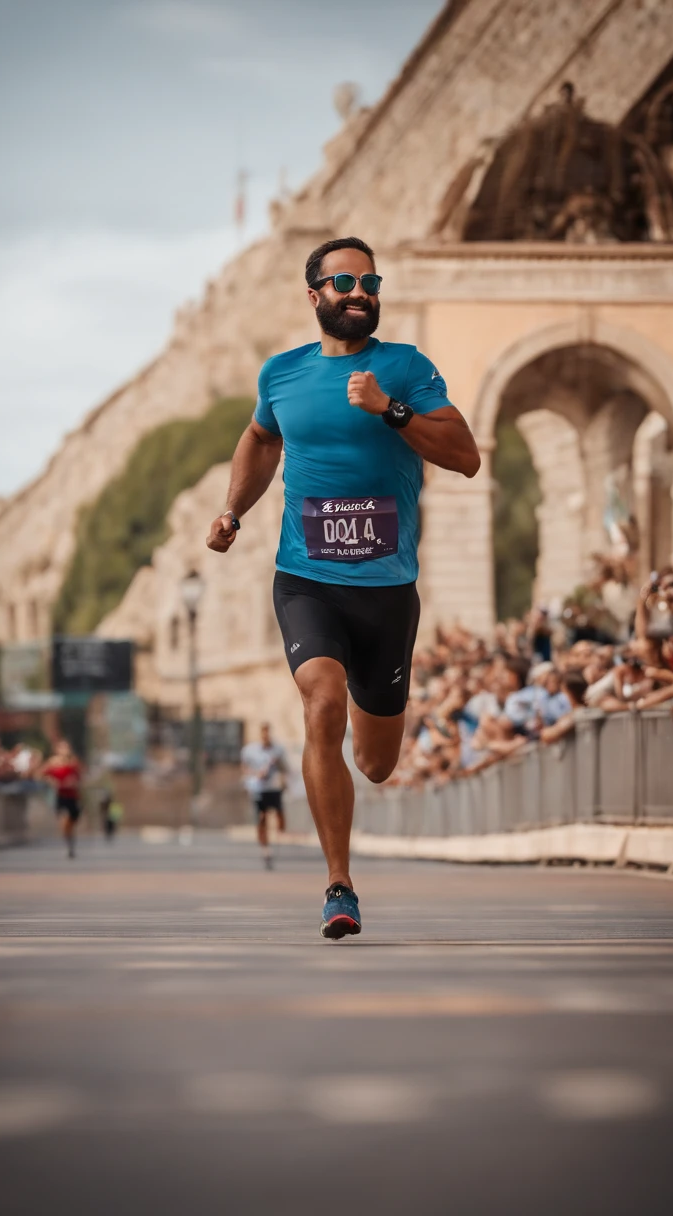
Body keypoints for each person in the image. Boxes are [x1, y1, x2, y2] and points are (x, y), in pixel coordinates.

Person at [206, 235, 480, 938]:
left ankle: (371, 732)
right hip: (307, 578)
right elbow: (262, 441)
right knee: (321, 704)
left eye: (369, 282)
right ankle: (338, 885)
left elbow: (467, 457)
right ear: (315, 296)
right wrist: (234, 509)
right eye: (344, 282)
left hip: (388, 589)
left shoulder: (406, 368)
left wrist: (389, 409)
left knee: (376, 762)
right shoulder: (283, 374)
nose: (359, 293)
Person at [240, 722, 288, 870]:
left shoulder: (278, 750)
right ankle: (265, 849)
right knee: (261, 817)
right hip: (259, 789)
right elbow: (244, 769)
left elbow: (284, 769)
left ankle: (279, 835)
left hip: (274, 787)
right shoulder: (250, 751)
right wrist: (253, 777)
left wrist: (284, 781)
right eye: (263, 733)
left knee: (279, 815)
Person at [40, 739, 83, 859]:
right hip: (60, 796)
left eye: (67, 747)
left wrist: (73, 782)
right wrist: (52, 782)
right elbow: (41, 775)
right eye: (62, 748)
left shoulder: (74, 763)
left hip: (73, 797)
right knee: (64, 820)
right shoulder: (52, 763)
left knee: (71, 824)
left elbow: (80, 778)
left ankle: (70, 844)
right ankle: (68, 845)